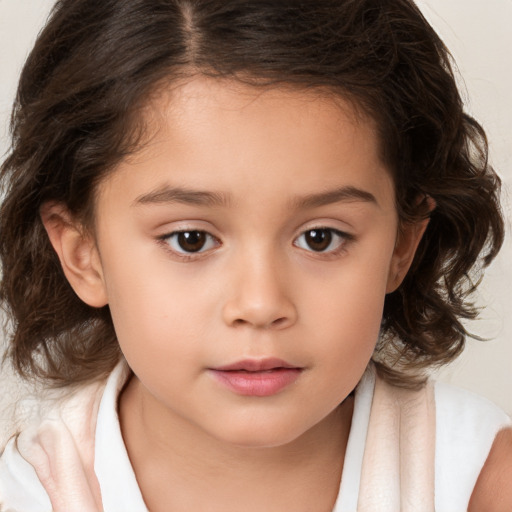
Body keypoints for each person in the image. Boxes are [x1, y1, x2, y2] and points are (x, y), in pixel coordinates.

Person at [0, 0, 510, 510]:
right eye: (191, 239)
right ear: (82, 252)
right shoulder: (26, 495)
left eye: (320, 238)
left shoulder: (478, 482)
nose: (261, 304)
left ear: (401, 244)